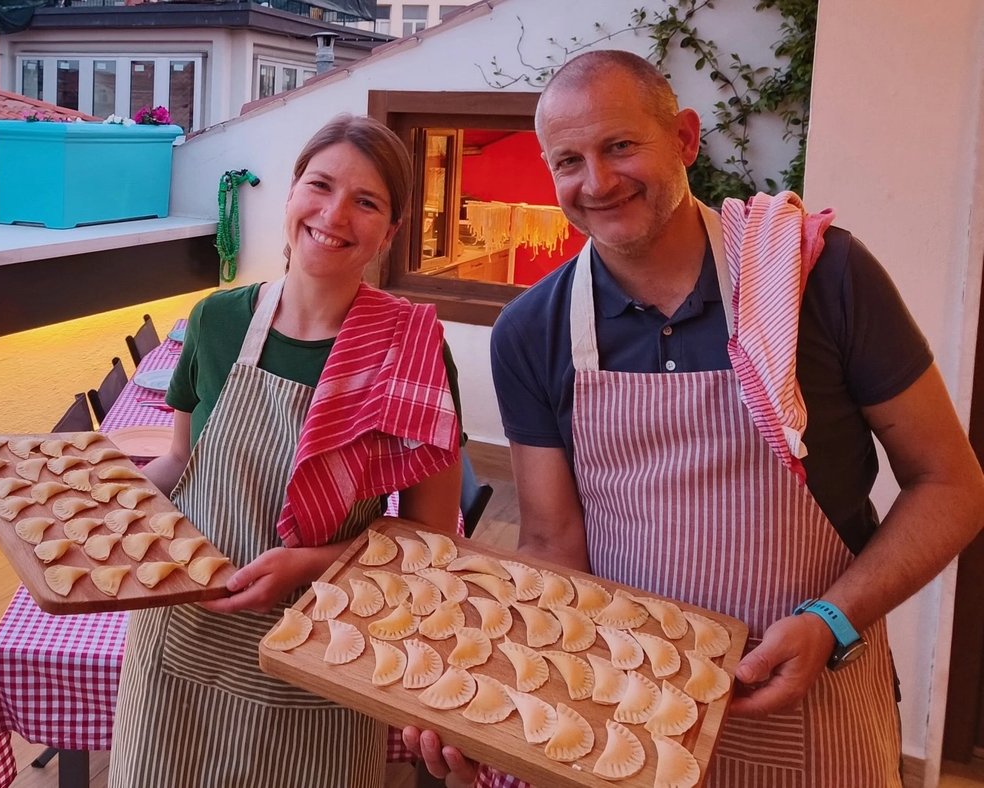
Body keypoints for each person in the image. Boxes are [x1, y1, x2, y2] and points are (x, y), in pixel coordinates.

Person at [408, 50, 984, 787]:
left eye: (620, 145)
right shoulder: (534, 330)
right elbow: (553, 543)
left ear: (683, 139)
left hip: (818, 695)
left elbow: (951, 486)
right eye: (569, 161)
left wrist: (833, 622)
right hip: (628, 711)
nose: (598, 182)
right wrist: (501, 693)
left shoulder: (819, 278)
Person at [108, 113, 467, 787]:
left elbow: (430, 544)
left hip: (320, 657)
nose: (335, 214)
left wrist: (310, 565)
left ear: (389, 233)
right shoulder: (218, 320)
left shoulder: (412, 355)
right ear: (292, 190)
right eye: (321, 185)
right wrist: (95, 508)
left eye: (367, 202)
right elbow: (181, 462)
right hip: (181, 642)